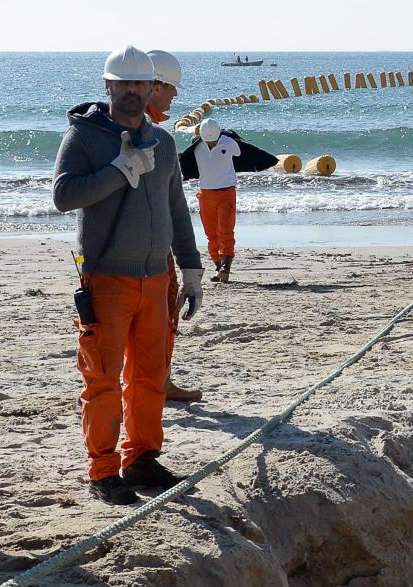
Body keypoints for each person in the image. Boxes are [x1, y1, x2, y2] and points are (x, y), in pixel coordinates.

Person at [52, 45, 203, 506]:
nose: (134, 91)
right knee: (101, 378)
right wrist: (118, 171)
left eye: (142, 84)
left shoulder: (163, 142)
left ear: (151, 88)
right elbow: (63, 195)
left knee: (149, 376)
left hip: (156, 278)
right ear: (108, 86)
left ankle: (141, 459)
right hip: (107, 278)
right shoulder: (84, 138)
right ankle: (102, 469)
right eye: (125, 83)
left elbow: (176, 207)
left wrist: (192, 266)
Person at [143, 48, 202, 405]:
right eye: (170, 88)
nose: (175, 95)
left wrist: (190, 264)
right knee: (157, 316)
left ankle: (157, 380)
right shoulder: (151, 136)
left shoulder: (152, 134)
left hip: (135, 246)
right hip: (144, 250)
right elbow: (173, 207)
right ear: (153, 86)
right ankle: (155, 383)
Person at [178, 118, 278, 282]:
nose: (211, 143)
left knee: (225, 230)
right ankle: (218, 266)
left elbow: (246, 153)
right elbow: (183, 163)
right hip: (205, 194)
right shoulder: (195, 148)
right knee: (211, 234)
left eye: (214, 140)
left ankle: (226, 267)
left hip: (227, 193)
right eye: (208, 141)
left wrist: (264, 162)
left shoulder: (229, 143)